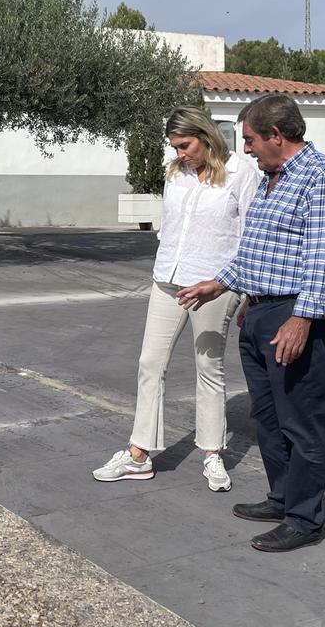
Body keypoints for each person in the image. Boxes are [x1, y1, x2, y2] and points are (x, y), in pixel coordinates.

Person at [176, 94, 325, 552]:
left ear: (277, 135)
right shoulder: (271, 178)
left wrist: (302, 319)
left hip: (293, 313)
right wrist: (220, 284)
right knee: (268, 418)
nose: (247, 149)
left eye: (251, 140)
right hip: (257, 309)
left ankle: (305, 519)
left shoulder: (323, 179)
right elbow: (257, 251)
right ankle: (281, 498)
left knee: (301, 421)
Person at [93, 106, 260, 491]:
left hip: (214, 286)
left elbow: (249, 235)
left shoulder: (241, 174)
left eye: (185, 145)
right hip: (167, 280)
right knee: (150, 362)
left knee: (208, 367)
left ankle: (213, 454)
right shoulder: (176, 173)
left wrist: (245, 290)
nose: (180, 153)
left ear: (205, 136)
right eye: (175, 147)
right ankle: (139, 454)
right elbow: (170, 226)